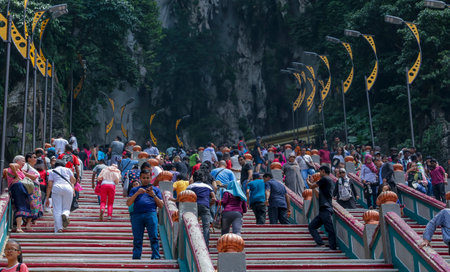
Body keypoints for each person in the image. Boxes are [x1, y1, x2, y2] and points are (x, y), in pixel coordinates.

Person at [127, 170, 163, 259]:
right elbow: (128, 203)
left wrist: (153, 195)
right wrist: (137, 193)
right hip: (137, 215)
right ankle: (136, 256)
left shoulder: (155, 189)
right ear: (140, 178)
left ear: (151, 178)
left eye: (148, 178)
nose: (146, 180)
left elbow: (161, 205)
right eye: (143, 178)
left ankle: (155, 256)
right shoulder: (135, 189)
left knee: (154, 236)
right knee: (137, 238)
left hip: (151, 214)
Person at [306, 165, 337, 250]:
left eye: (320, 172)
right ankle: (320, 243)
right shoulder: (328, 181)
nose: (319, 174)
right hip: (324, 208)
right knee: (312, 226)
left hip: (325, 208)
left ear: (323, 171)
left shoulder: (325, 179)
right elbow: (318, 194)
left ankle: (333, 246)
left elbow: (312, 186)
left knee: (329, 229)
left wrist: (308, 181)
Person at [186, 171, 216, 248]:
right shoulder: (208, 187)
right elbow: (214, 198)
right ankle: (205, 245)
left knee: (193, 225)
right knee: (206, 227)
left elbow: (187, 197)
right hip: (205, 206)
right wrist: (209, 205)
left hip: (193, 207)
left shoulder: (190, 186)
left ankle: (194, 244)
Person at [45, 159, 75, 233]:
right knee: (66, 208)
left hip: (57, 187)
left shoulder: (52, 171)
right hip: (68, 188)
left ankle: (59, 228)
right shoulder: (68, 170)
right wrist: (73, 189)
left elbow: (49, 185)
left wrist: (47, 197)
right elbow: (73, 180)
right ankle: (65, 214)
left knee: (57, 209)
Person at [4, 159, 32, 232]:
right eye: (22, 161)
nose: (24, 162)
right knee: (20, 206)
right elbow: (11, 164)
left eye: (24, 161)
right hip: (17, 188)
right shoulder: (14, 166)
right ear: (17, 161)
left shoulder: (20, 170)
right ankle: (19, 228)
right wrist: (17, 176)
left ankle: (19, 226)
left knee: (21, 206)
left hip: (20, 188)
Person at [22, 153, 43, 221]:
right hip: (30, 187)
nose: (36, 159)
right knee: (32, 204)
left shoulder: (33, 168)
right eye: (34, 157)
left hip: (36, 188)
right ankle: (28, 222)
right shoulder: (26, 165)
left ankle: (30, 221)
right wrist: (32, 176)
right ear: (29, 159)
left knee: (35, 205)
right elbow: (22, 172)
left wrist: (39, 190)